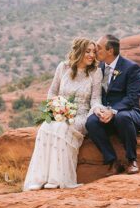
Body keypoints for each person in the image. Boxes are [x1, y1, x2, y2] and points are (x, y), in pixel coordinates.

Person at [23, 37, 102, 191]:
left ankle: (57, 179)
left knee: (62, 128)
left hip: (80, 115)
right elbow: (53, 91)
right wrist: (54, 108)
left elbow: (95, 99)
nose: (92, 55)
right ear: (78, 52)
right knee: (46, 127)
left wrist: (98, 109)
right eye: (88, 51)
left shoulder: (95, 72)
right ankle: (40, 179)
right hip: (61, 111)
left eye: (94, 52)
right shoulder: (63, 68)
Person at [85, 34, 140, 174]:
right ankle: (112, 161)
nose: (95, 51)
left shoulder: (132, 68)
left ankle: (132, 160)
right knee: (91, 122)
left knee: (121, 117)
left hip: (128, 112)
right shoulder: (98, 68)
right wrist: (99, 110)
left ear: (110, 50)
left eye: (98, 48)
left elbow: (132, 97)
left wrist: (113, 111)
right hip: (105, 112)